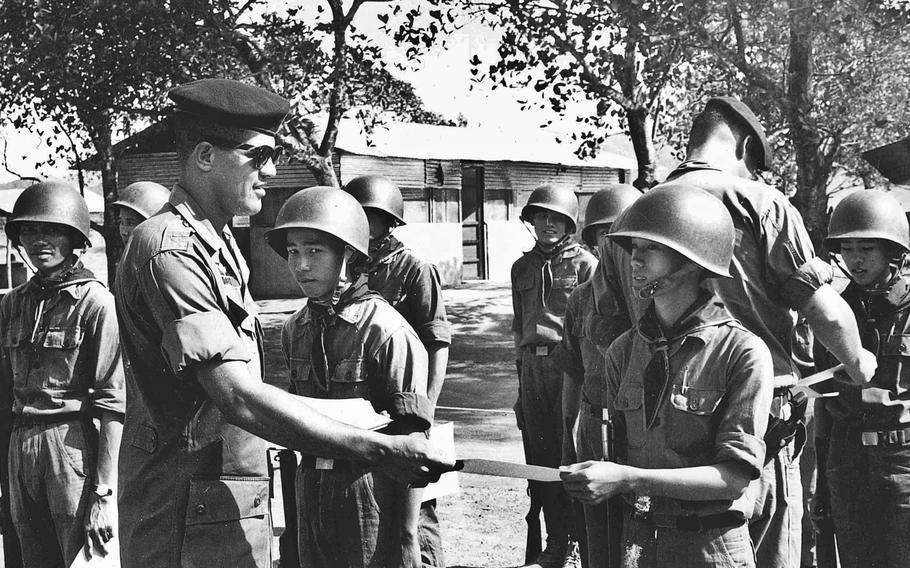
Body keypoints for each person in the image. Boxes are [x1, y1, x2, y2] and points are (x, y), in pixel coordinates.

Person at [114, 78, 452, 568]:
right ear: (206, 155)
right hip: (184, 513)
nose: (270, 170)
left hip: (224, 501)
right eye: (257, 156)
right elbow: (237, 396)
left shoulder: (219, 243)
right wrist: (376, 447)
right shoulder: (170, 247)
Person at [599, 96, 876, 568]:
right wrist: (858, 363)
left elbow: (609, 321)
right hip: (756, 429)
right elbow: (823, 312)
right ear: (746, 147)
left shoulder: (640, 213)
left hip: (656, 432)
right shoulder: (760, 202)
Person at [561, 185, 774, 567]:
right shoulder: (624, 350)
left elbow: (734, 478)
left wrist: (627, 478)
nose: (634, 262)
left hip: (709, 547)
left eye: (651, 249)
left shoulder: (740, 352)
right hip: (638, 545)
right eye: (634, 249)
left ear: (693, 259)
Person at [266, 186, 432, 568]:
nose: (300, 265)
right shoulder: (295, 328)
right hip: (311, 490)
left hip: (367, 492)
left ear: (349, 254)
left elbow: (412, 439)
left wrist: (408, 536)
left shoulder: (385, 331)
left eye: (314, 251)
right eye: (293, 252)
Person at [0, 181, 124, 567]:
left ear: (74, 238)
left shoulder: (96, 304)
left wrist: (104, 492)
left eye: (51, 230)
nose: (39, 240)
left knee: (84, 558)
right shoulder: (13, 303)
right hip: (20, 448)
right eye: (30, 231)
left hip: (70, 449)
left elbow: (114, 403)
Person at [344, 174, 451, 568]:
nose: (361, 222)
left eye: (369, 216)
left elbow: (437, 342)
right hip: (362, 408)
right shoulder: (347, 264)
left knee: (415, 517)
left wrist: (426, 411)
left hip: (406, 404)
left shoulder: (413, 268)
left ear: (389, 222)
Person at [815, 190, 910, 568]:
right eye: (847, 248)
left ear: (894, 252)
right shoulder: (833, 312)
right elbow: (824, 400)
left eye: (867, 247)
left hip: (903, 459)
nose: (855, 258)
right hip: (848, 459)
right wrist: (821, 482)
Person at [551, 184, 639, 568]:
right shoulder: (582, 298)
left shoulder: (658, 297)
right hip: (594, 423)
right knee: (597, 539)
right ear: (594, 241)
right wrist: (569, 434)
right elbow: (573, 370)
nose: (616, 247)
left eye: (627, 238)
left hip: (641, 430)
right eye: (605, 236)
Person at [512, 184, 597, 568]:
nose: (547, 223)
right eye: (540, 216)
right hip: (532, 367)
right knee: (539, 457)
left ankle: (578, 540)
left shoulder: (585, 266)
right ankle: (555, 540)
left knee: (572, 451)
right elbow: (519, 329)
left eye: (556, 217)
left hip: (569, 367)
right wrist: (519, 386)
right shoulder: (522, 267)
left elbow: (593, 329)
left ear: (569, 223)